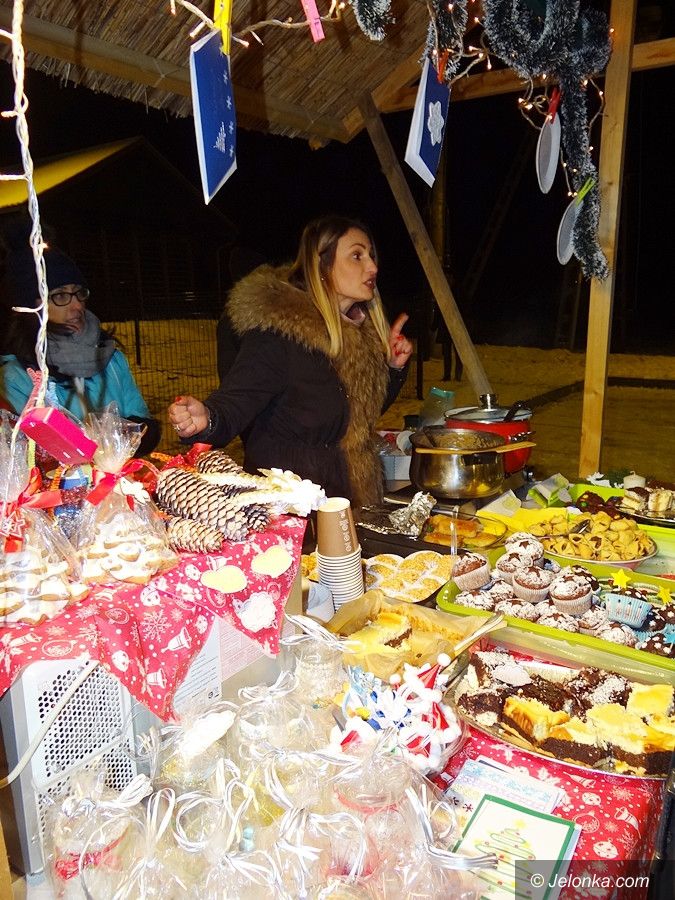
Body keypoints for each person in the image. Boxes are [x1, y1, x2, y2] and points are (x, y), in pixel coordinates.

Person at [169, 215, 413, 507]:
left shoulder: (359, 335)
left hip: (347, 500)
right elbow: (237, 401)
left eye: (371, 256)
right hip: (291, 508)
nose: (372, 267)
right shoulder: (281, 335)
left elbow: (355, 418)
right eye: (357, 256)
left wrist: (392, 369)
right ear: (321, 265)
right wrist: (207, 419)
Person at [0, 220, 160, 456]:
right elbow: (27, 454)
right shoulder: (17, 377)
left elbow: (142, 424)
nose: (77, 306)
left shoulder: (110, 359)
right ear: (31, 307)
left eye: (79, 293)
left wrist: (134, 435)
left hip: (119, 477)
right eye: (60, 296)